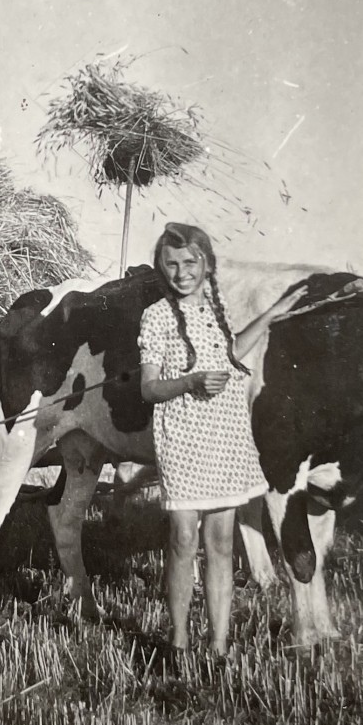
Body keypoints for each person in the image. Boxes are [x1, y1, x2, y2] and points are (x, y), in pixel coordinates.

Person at [138, 222, 306, 654]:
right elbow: (149, 388)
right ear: (162, 267)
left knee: (221, 544)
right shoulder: (155, 316)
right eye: (172, 264)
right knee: (182, 540)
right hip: (183, 439)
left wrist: (272, 314)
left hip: (226, 438)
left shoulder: (219, 310)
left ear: (207, 265)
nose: (182, 273)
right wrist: (190, 381)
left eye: (190, 262)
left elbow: (230, 356)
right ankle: (177, 642)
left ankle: (218, 645)